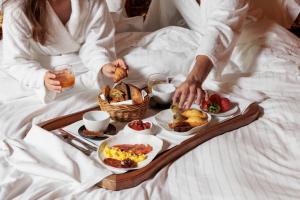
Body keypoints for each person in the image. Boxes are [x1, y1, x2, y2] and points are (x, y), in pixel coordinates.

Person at [143, 0, 300, 109]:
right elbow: (162, 19)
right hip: (206, 49)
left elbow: (221, 26)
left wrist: (194, 78)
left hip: (258, 45)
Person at [1, 0, 127, 103]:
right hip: (35, 66)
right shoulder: (16, 9)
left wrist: (103, 65)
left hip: (81, 60)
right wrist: (41, 78)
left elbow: (95, 42)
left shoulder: (93, 2)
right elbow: (16, 60)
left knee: (139, 68)